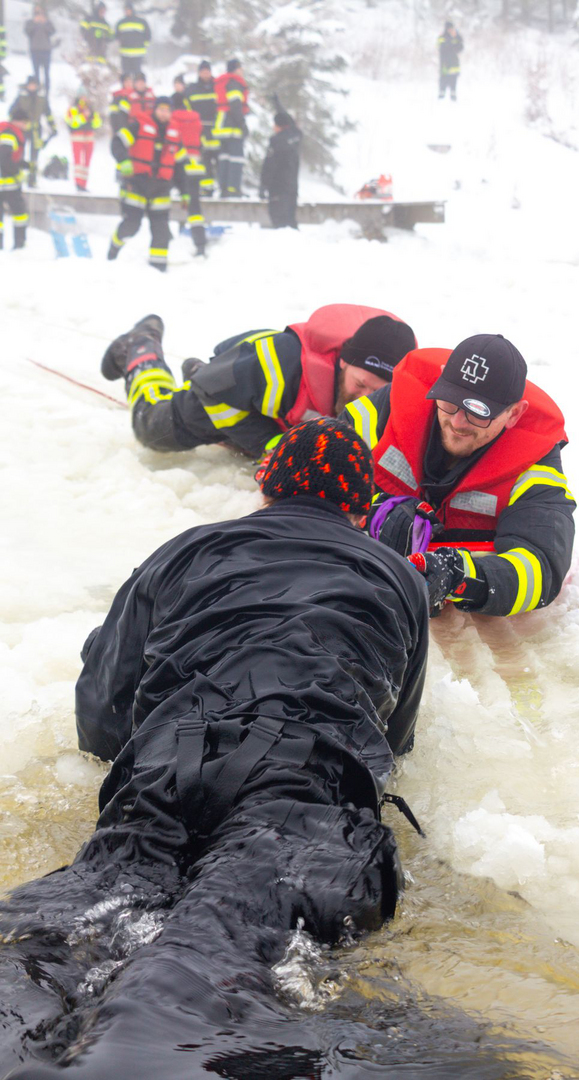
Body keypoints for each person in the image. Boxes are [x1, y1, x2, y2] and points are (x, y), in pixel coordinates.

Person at [0, 417, 428, 1075]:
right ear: (360, 506)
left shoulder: (186, 551)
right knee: (223, 958)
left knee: (65, 935)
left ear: (265, 485)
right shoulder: (397, 577)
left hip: (171, 769)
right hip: (305, 793)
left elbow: (101, 715)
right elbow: (395, 740)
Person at [343, 333, 576, 618]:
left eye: (478, 412)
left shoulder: (535, 463)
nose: (457, 422)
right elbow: (311, 482)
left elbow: (542, 568)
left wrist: (460, 577)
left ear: (514, 414)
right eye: (450, 400)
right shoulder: (385, 409)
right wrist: (375, 510)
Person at [99, 306, 416, 458]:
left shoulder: (390, 399)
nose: (364, 396)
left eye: (376, 391)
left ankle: (211, 375)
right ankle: (140, 346)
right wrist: (268, 444)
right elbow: (213, 394)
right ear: (343, 361)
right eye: (359, 384)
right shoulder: (280, 362)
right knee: (152, 429)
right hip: (225, 389)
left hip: (257, 395)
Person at [108, 96, 190, 271]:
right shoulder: (138, 126)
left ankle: (158, 269)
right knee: (131, 225)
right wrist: (123, 160)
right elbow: (117, 142)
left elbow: (180, 166)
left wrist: (185, 191)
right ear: (155, 110)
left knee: (161, 231)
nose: (164, 114)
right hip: (136, 184)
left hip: (161, 188)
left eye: (167, 111)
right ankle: (113, 249)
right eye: (161, 110)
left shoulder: (175, 135)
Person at [171, 97, 207, 256]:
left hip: (180, 167)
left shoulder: (172, 121)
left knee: (162, 201)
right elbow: (202, 142)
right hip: (196, 167)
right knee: (195, 208)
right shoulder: (196, 119)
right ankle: (200, 243)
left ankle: (170, 236)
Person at [10, 74, 56, 187]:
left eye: (34, 85)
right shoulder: (21, 97)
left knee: (34, 156)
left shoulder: (41, 99)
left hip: (36, 130)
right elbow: (12, 112)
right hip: (22, 129)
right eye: (30, 85)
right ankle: (19, 177)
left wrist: (53, 127)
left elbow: (48, 113)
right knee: (20, 153)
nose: (32, 87)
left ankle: (32, 179)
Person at [260, 109, 301, 229]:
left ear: (279, 126)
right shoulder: (296, 136)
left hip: (277, 186)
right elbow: (293, 125)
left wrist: (263, 185)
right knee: (290, 218)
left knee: (278, 220)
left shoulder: (276, 141)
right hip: (292, 186)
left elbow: (269, 165)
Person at [214, 57, 248, 197]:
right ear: (235, 69)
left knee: (224, 158)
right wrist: (242, 125)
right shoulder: (234, 83)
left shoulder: (223, 82)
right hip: (232, 126)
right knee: (236, 158)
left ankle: (224, 188)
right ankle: (233, 189)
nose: (242, 71)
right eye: (240, 68)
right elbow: (235, 106)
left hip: (221, 125)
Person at [185, 59, 219, 196]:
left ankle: (222, 188)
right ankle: (206, 188)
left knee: (219, 160)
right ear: (199, 73)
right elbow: (187, 109)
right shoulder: (191, 89)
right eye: (203, 71)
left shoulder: (218, 87)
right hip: (199, 130)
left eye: (207, 71)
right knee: (204, 160)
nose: (205, 74)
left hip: (216, 130)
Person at [0, 104, 30, 251]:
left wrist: (23, 164)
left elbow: (10, 156)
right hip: (7, 183)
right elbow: (3, 159)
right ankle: (19, 244)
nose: (26, 126)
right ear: (18, 121)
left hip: (7, 182)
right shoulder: (9, 134)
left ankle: (16, 245)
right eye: (25, 122)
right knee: (19, 213)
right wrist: (17, 173)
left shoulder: (9, 132)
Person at [65, 93, 102, 191]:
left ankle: (84, 184)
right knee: (78, 162)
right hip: (77, 137)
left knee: (87, 162)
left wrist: (91, 118)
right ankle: (78, 183)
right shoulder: (73, 109)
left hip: (89, 137)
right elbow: (72, 123)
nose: (84, 99)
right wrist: (84, 117)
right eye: (82, 97)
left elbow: (98, 123)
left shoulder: (91, 109)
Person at [24, 5, 56, 95]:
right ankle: (37, 91)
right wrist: (34, 23)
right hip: (35, 51)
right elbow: (27, 32)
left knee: (46, 73)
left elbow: (52, 31)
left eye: (40, 12)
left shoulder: (47, 22)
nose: (38, 14)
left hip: (46, 51)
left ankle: (47, 91)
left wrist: (45, 23)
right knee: (36, 72)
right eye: (36, 12)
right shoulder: (30, 22)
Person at [115, 1, 151, 76]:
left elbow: (148, 35)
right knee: (126, 76)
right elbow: (117, 36)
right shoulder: (120, 23)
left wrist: (144, 45)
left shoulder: (141, 22)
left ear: (132, 10)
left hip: (138, 54)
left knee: (137, 75)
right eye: (126, 10)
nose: (127, 11)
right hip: (125, 54)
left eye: (128, 9)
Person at [437, 20, 463, 101]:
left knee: (453, 78)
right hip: (444, 62)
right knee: (444, 78)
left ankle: (453, 94)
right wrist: (453, 44)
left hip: (454, 62)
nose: (451, 30)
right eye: (449, 28)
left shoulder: (456, 37)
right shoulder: (442, 37)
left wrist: (456, 38)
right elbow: (442, 48)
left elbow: (460, 47)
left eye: (452, 28)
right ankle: (442, 94)